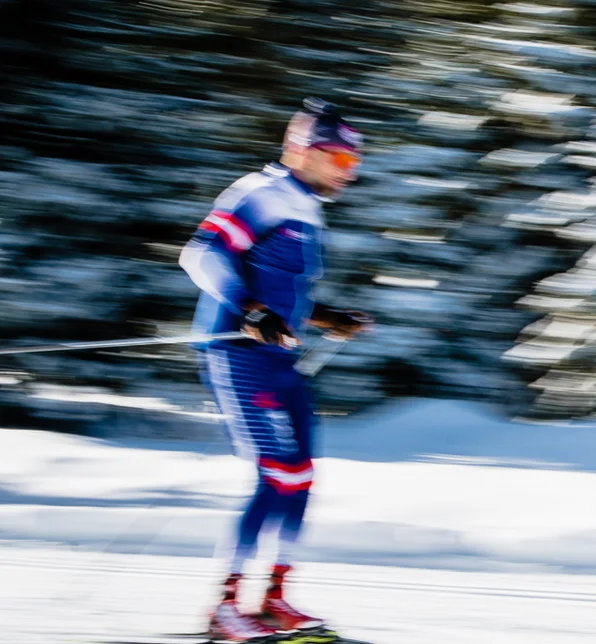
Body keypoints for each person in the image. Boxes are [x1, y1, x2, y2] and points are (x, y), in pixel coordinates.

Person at [179, 98, 373, 642]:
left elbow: (280, 292)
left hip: (276, 356)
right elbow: (201, 256)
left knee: (302, 473)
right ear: (302, 151)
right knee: (276, 471)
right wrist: (249, 312)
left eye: (353, 164)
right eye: (338, 161)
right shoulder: (260, 193)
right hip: (235, 352)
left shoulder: (305, 206)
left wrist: (326, 316)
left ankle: (271, 600)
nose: (347, 173)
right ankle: (224, 608)